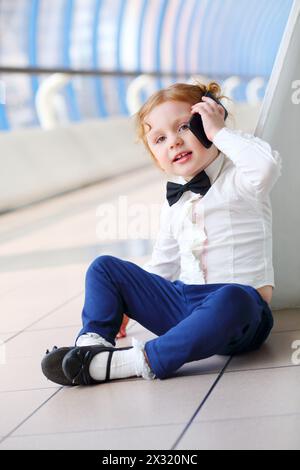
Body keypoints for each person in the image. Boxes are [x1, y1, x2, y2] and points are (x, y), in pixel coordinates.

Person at [41, 81, 282, 386]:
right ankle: (92, 349)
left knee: (236, 297)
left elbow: (266, 166)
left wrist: (220, 132)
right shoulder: (175, 205)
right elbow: (163, 268)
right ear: (155, 157)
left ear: (207, 121)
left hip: (239, 315)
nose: (174, 142)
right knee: (104, 267)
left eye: (183, 127)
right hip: (184, 306)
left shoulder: (242, 179)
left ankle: (133, 362)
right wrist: (129, 300)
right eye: (159, 139)